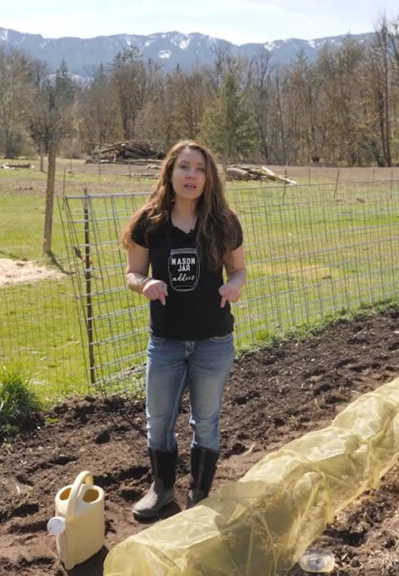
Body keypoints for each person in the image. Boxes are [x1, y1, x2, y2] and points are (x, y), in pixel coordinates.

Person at [120, 139, 246, 520]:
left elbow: (238, 268)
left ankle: (198, 494)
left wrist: (234, 284)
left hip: (213, 341)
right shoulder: (150, 222)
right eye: (184, 167)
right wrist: (144, 284)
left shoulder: (223, 222)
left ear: (209, 178)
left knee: (205, 420)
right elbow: (132, 272)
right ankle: (161, 490)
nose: (192, 176)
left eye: (200, 169)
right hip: (166, 343)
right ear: (170, 172)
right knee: (158, 419)